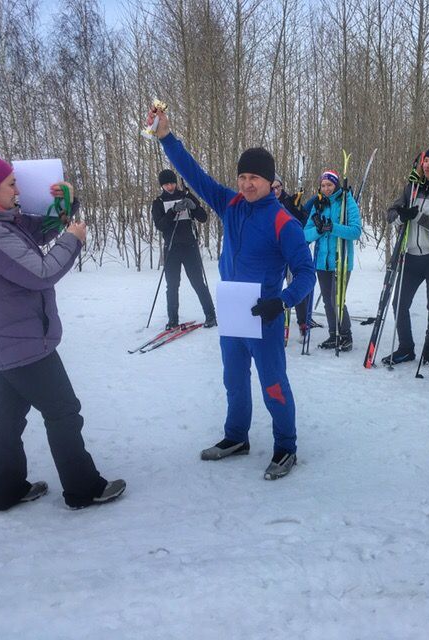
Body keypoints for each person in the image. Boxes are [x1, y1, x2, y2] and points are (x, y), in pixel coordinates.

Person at [0, 150, 125, 511]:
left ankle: (6, 489)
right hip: (20, 343)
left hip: (3, 339)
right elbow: (40, 272)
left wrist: (63, 205)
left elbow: (36, 232)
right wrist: (73, 239)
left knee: (7, 416)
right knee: (63, 411)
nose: (18, 190)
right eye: (11, 184)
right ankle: (84, 488)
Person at [148, 107, 315, 480]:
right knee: (233, 380)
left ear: (270, 182)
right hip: (232, 313)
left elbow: (306, 274)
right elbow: (194, 173)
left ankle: (286, 445)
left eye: (254, 177)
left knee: (272, 382)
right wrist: (166, 139)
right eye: (242, 176)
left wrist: (283, 302)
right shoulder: (230, 204)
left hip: (264, 315)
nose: (246, 184)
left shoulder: (283, 221)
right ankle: (236, 437)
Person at [382, 147, 429, 366]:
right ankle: (406, 348)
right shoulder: (411, 189)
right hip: (411, 256)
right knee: (399, 302)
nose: (426, 165)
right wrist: (401, 216)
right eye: (425, 161)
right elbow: (390, 214)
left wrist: (418, 217)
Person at [303, 170, 362, 351]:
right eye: (323, 185)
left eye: (329, 185)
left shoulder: (346, 201)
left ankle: (345, 335)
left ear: (335, 185)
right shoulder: (318, 204)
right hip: (322, 261)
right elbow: (305, 234)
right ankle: (333, 334)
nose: (326, 188)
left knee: (337, 298)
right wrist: (319, 230)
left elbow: (355, 231)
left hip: (341, 259)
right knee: (328, 301)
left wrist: (333, 227)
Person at [151, 169, 216, 329]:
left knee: (198, 282)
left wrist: (193, 207)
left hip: (190, 247)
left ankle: (210, 315)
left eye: (172, 182)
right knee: (172, 285)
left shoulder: (186, 195)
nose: (170, 186)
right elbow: (160, 225)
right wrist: (173, 211)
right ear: (162, 185)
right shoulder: (158, 202)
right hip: (171, 248)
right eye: (166, 184)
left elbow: (203, 217)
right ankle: (172, 320)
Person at [273, 174, 312, 341]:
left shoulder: (290, 200)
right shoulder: (263, 203)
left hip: (290, 249)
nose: (275, 191)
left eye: (278, 187)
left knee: (298, 283)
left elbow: (303, 222)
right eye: (272, 187)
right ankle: (274, 317)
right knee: (275, 284)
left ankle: (303, 321)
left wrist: (298, 210)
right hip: (273, 251)